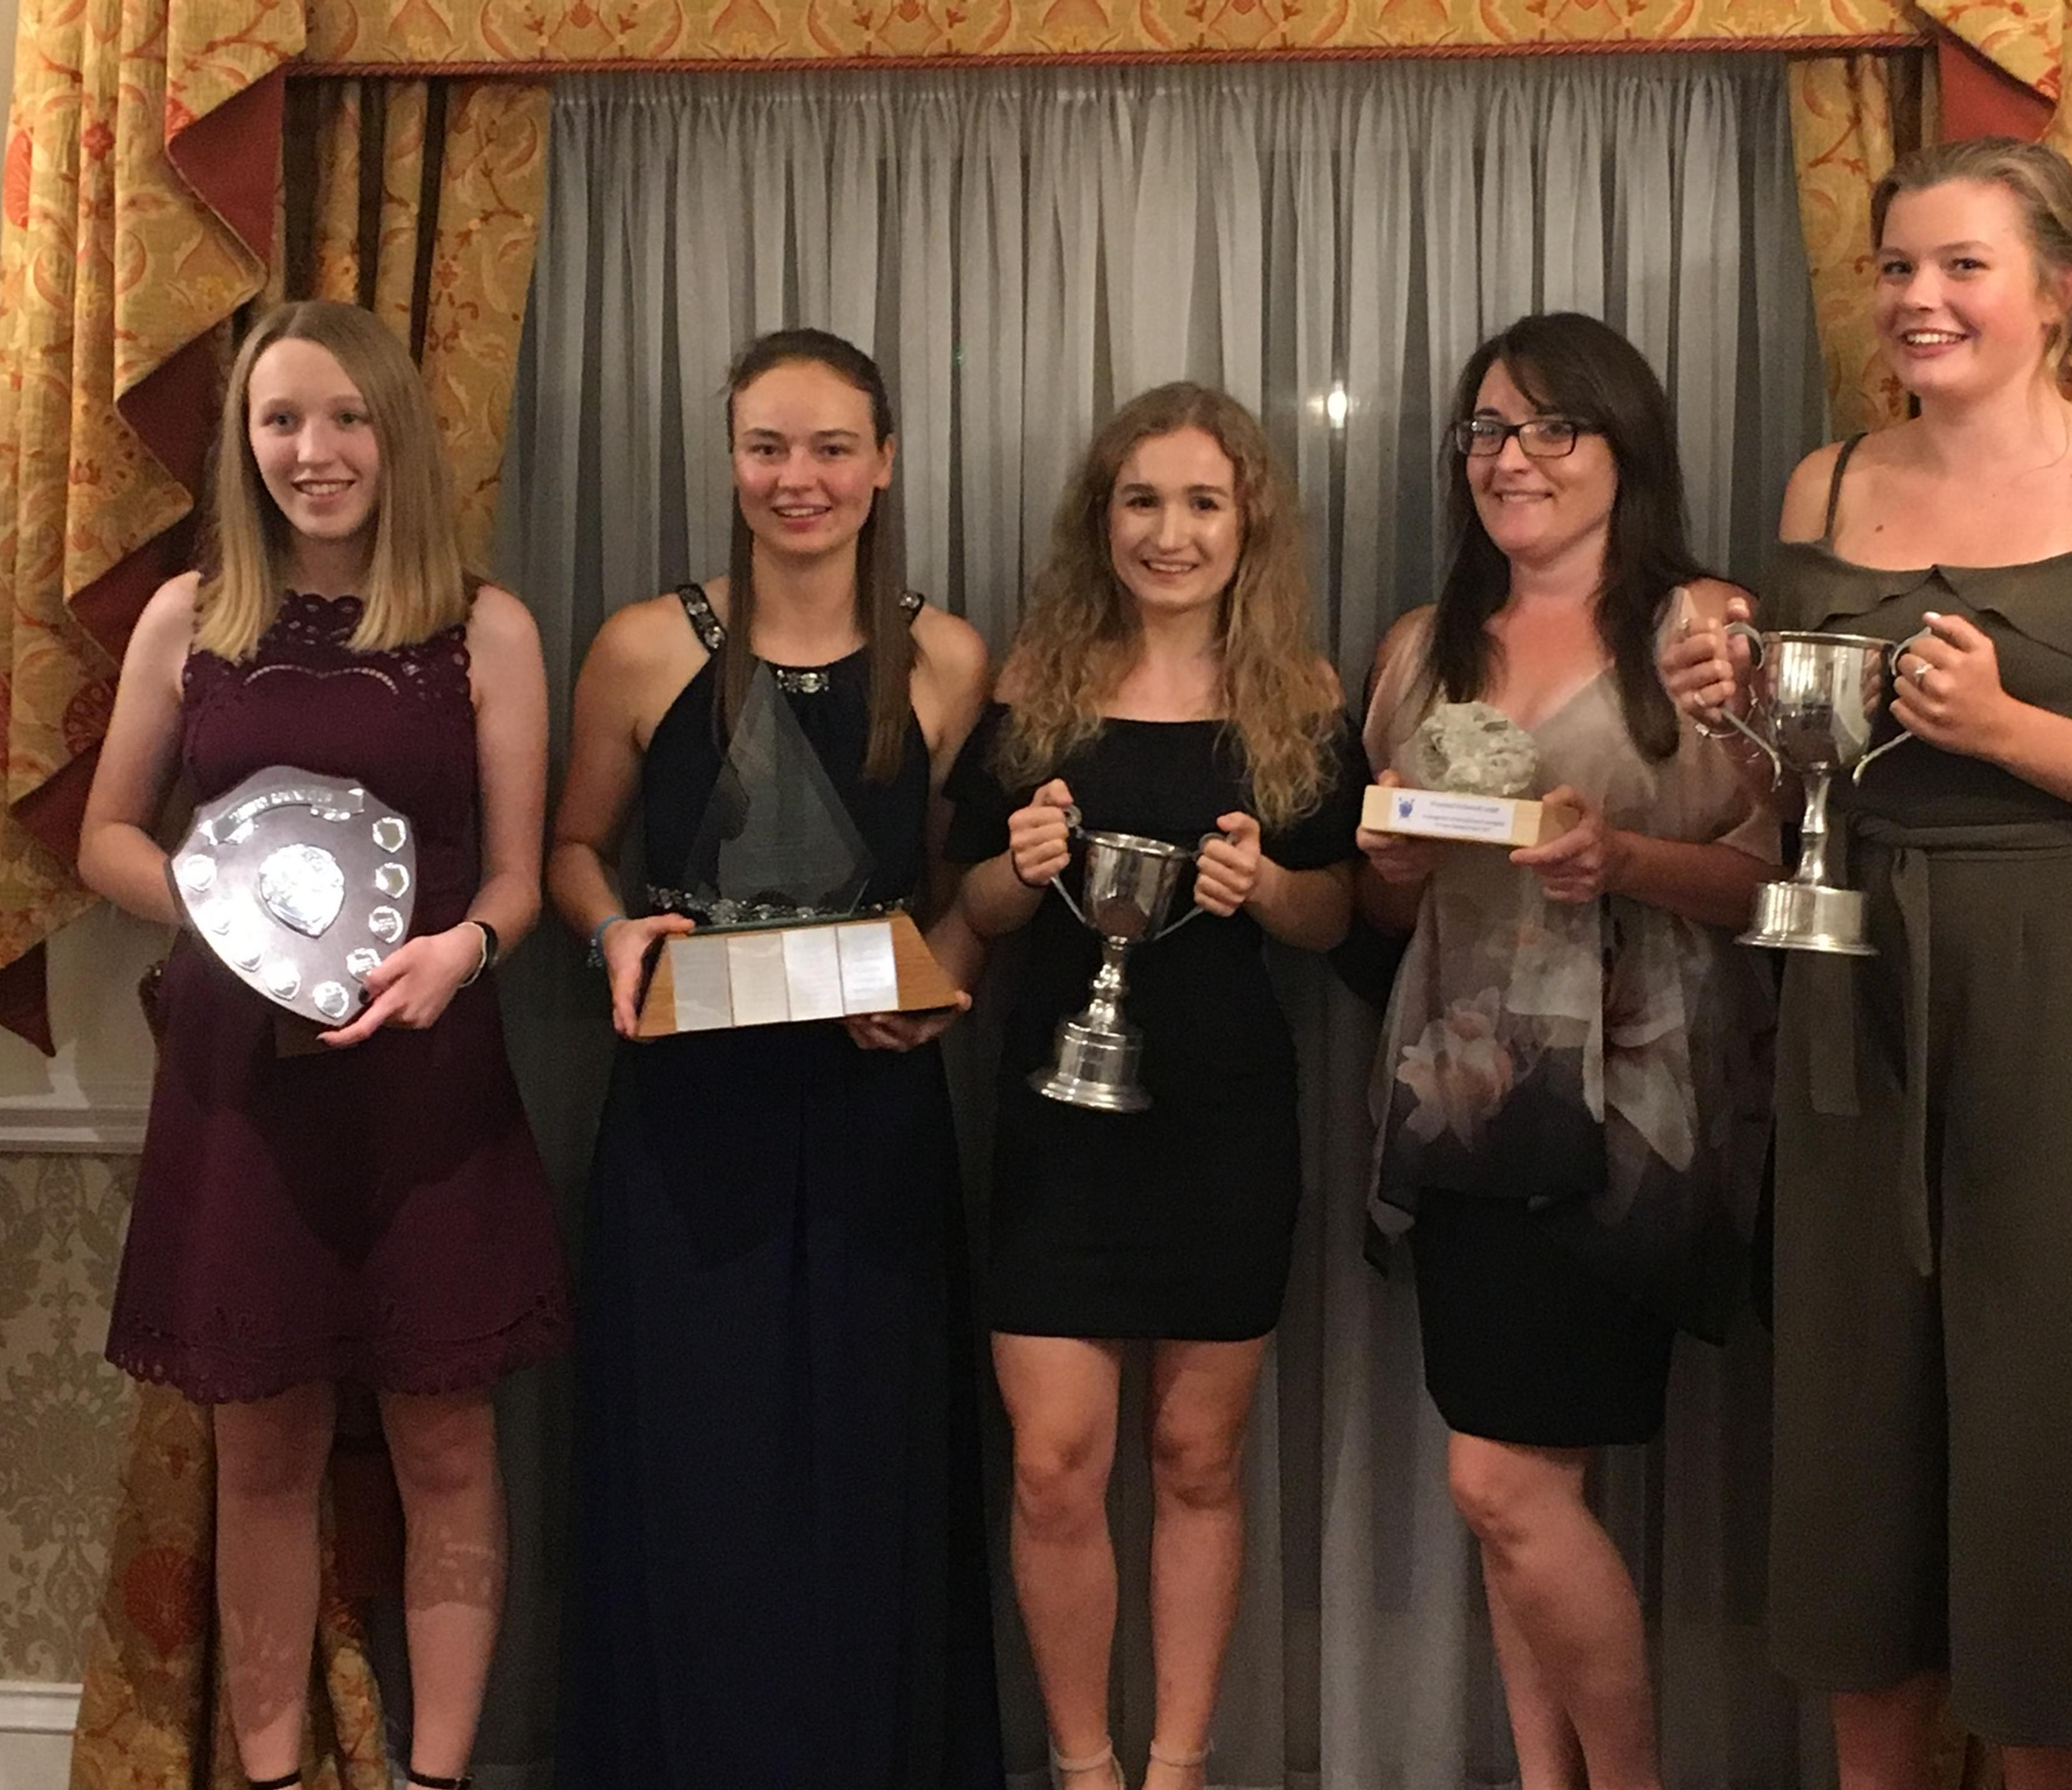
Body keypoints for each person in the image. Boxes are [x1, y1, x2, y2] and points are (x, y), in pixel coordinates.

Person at [1662, 137, 2072, 1784]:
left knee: (2045, 1428)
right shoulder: (1822, 489)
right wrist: (1729, 716)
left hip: (2056, 982)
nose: (1917, 299)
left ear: (2061, 289)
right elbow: (1786, 790)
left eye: (1962, 266)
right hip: (1847, 971)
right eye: (1896, 267)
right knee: (1851, 1430)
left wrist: (2011, 732)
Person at [79, 299, 571, 1790]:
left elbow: (518, 880)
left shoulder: (487, 628)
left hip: (429, 1086)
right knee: (265, 1454)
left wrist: (464, 953)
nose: (315, 450)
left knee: (447, 1448)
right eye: (282, 419)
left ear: (396, 431)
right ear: (245, 442)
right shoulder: (190, 617)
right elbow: (106, 839)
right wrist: (234, 916)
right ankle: (279, 1777)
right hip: (242, 1096)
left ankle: (437, 1780)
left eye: (346, 416)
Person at [546, 326, 1002, 1786]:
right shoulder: (642, 645)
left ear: (885, 464)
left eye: (830, 448)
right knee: (698, 1468)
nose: (797, 479)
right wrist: (612, 931)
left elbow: (955, 891)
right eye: (766, 447)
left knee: (868, 1467)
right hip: (687, 1122)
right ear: (731, 458)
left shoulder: (948, 657)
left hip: (876, 1116)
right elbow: (572, 848)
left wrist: (947, 987)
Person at [1356, 311, 1777, 1790]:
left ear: (1624, 445)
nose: (1512, 459)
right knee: (1512, 1483)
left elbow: (1772, 886)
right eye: (1487, 429)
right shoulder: (1420, 647)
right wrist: (1392, 867)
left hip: (1634, 1112)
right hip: (1463, 1099)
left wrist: (1625, 862)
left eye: (1551, 427)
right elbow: (1386, 906)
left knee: (1502, 1481)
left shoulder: (1705, 632)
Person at [947, 382, 1363, 1790]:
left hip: (1225, 1124)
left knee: (1196, 1458)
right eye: (1141, 501)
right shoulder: (1033, 685)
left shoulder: (1303, 698)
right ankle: (1083, 1767)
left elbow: (1339, 919)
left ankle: (1177, 1767)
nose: (1169, 534)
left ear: (1250, 524)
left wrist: (1270, 889)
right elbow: (974, 909)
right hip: (1056, 1118)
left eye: (1201, 503)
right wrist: (1019, 871)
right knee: (1053, 1462)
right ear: (1101, 518)